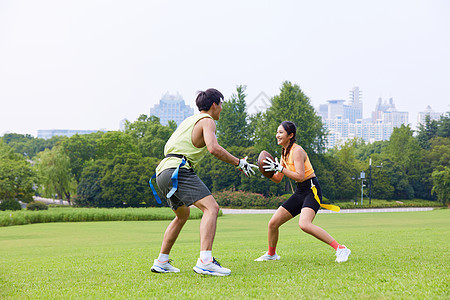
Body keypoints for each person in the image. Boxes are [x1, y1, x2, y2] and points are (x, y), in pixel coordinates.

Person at [150, 88, 258, 276]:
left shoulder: (188, 121)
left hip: (162, 173)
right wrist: (238, 162)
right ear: (214, 104)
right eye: (221, 104)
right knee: (212, 208)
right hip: (178, 170)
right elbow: (213, 148)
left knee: (182, 216)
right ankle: (205, 261)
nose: (222, 109)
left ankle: (161, 261)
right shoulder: (207, 120)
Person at [254, 121, 351, 263]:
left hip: (312, 190)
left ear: (290, 135)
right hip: (300, 191)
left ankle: (341, 248)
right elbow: (278, 179)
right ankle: (271, 254)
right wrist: (265, 170)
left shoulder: (297, 151)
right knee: (273, 223)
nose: (277, 135)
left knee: (304, 224)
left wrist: (280, 168)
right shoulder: (284, 154)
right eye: (277, 132)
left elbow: (300, 175)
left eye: (281, 132)